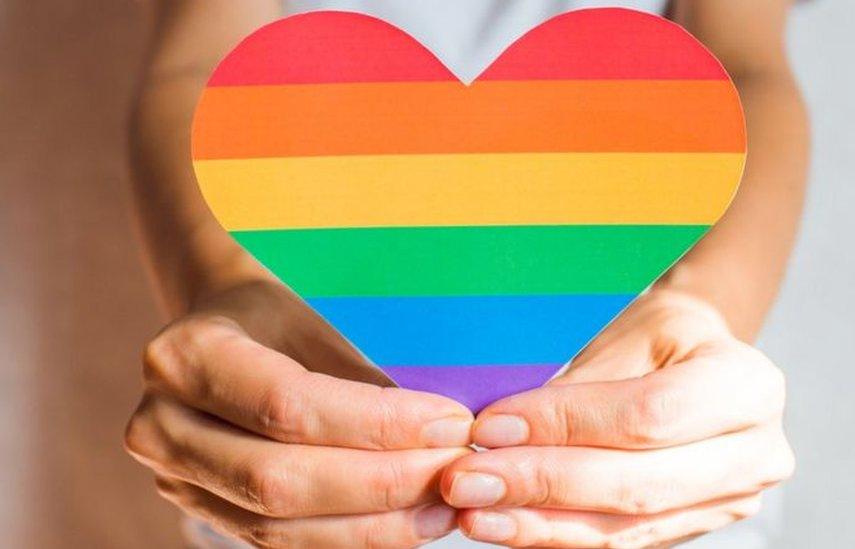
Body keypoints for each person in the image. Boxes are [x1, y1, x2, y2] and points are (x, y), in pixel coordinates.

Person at [123, 0, 809, 547]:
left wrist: (700, 312)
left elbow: (742, 68)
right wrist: (229, 290)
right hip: (296, 456)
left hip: (657, 474)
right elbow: (201, 66)